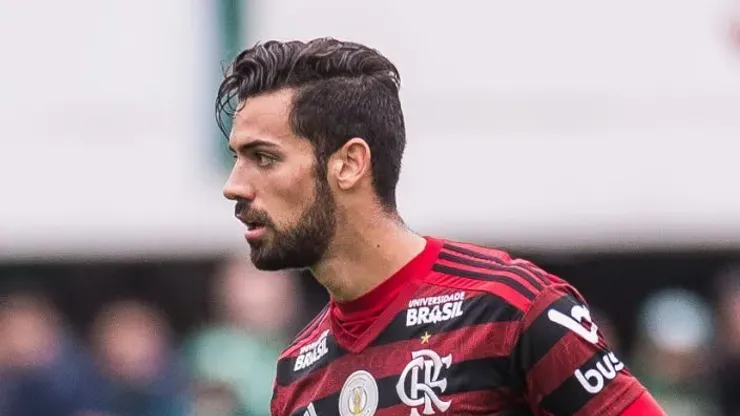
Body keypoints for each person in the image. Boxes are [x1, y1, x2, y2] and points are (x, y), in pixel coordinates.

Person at [216, 38, 665, 416]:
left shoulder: (510, 309)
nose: (234, 186)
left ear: (349, 164)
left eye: (264, 158)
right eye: (238, 159)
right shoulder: (296, 372)